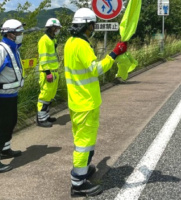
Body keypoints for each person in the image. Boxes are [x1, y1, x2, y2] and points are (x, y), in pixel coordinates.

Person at [64, 8, 127, 197]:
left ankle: (84, 170)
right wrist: (114, 54)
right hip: (86, 103)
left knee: (83, 141)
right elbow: (95, 69)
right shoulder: (82, 45)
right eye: (92, 25)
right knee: (83, 143)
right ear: (88, 25)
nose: (93, 29)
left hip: (76, 101)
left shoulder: (69, 43)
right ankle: (78, 183)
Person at [0, 19, 25, 173]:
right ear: (10, 34)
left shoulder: (14, 48)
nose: (21, 35)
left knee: (11, 123)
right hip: (1, 97)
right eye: (19, 33)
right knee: (2, 127)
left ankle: (5, 148)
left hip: (11, 95)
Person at [36, 18, 62, 127]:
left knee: (50, 96)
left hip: (54, 71)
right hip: (48, 72)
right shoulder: (44, 40)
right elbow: (43, 58)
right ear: (52, 27)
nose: (58, 30)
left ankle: (46, 116)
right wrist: (48, 73)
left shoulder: (52, 39)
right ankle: (41, 119)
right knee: (44, 96)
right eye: (57, 28)